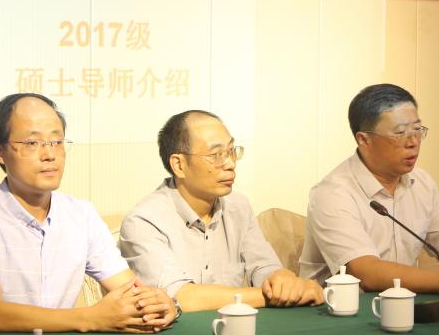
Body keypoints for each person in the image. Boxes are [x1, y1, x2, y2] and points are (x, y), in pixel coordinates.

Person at [0, 93, 176, 333]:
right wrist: (91, 318)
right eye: (32, 143)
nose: (49, 155)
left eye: (56, 141)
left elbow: (131, 289)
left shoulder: (80, 214)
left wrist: (160, 304)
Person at [299, 84, 439, 296]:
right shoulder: (332, 193)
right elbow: (366, 272)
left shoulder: (421, 183)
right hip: (337, 309)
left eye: (417, 130)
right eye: (400, 133)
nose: (413, 142)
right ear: (364, 139)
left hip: (400, 304)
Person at [120, 110, 324, 312]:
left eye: (231, 151)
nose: (230, 163)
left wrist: (282, 280)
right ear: (179, 165)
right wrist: (269, 296)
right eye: (216, 155)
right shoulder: (144, 221)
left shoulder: (237, 206)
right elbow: (180, 297)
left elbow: (264, 267)